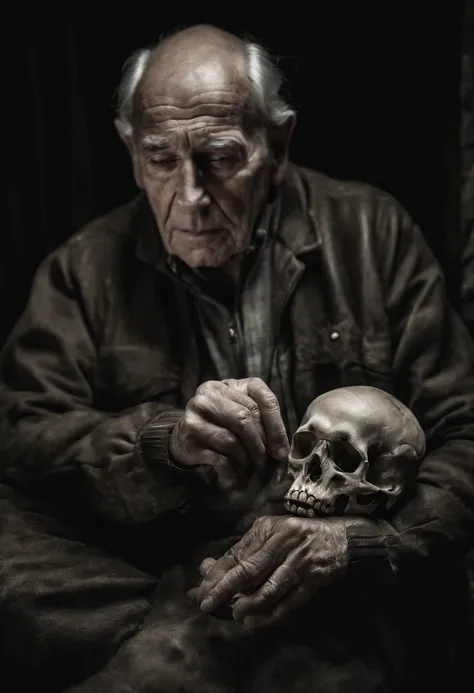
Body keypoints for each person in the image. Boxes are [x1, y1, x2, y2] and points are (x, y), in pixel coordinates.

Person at [0, 23, 473, 693]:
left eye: (220, 158)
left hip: (328, 564)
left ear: (277, 146)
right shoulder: (82, 271)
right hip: (148, 566)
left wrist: (357, 544)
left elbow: (465, 432)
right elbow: (23, 437)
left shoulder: (374, 233)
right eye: (160, 159)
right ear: (131, 155)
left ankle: (192, 640)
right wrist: (163, 444)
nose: (189, 195)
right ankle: (191, 630)